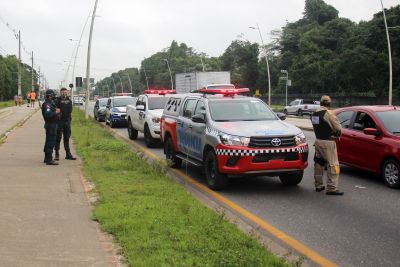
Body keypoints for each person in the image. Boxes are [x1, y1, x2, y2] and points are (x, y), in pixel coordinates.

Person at [310, 95, 344, 195]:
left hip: (318, 141)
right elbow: (338, 129)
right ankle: (332, 188)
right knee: (333, 165)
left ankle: (318, 185)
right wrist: (337, 134)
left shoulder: (314, 113)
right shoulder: (329, 113)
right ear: (329, 104)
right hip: (328, 143)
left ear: (320, 103)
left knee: (319, 163)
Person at [55, 87, 76, 160]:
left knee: (66, 138)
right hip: (59, 122)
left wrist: (69, 120)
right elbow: (56, 110)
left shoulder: (69, 101)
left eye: (66, 92)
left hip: (67, 121)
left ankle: (68, 154)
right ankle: (56, 154)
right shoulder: (57, 100)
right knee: (58, 138)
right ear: (60, 93)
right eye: (63, 92)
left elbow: (70, 110)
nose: (64, 93)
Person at [42, 89, 60, 165]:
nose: (54, 96)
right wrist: (56, 112)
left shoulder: (50, 103)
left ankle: (46, 158)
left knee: (48, 141)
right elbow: (48, 114)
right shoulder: (47, 104)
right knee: (51, 142)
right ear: (49, 96)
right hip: (51, 125)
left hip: (52, 124)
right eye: (52, 95)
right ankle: (49, 159)